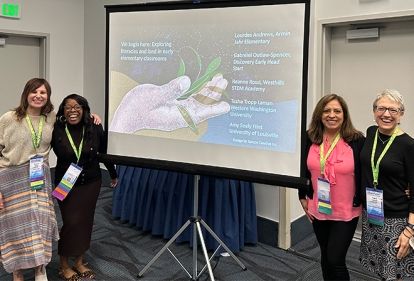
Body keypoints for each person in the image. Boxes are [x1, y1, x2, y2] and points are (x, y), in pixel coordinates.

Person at [51, 94, 118, 281]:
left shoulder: (95, 126)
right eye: (68, 107)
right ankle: (63, 265)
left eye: (77, 106)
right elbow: (39, 151)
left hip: (91, 181)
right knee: (71, 222)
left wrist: (112, 173)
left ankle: (79, 262)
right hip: (65, 182)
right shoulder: (56, 128)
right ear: (63, 110)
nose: (73, 110)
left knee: (86, 222)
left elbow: (104, 152)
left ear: (84, 109)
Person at [299, 94, 365, 280]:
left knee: (336, 259)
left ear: (344, 115)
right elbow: (302, 171)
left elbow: (375, 165)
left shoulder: (357, 140)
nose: (332, 115)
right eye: (326, 110)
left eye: (337, 110)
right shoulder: (310, 138)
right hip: (318, 206)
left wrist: (405, 184)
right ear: (319, 114)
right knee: (326, 256)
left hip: (346, 210)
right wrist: (302, 195)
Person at [0, 78, 59, 281]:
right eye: (34, 92)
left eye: (43, 93)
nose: (38, 96)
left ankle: (39, 267)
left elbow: (75, 115)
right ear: (26, 94)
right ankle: (17, 270)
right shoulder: (9, 118)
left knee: (40, 222)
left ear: (48, 97)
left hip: (38, 177)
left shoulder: (50, 118)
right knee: (15, 226)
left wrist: (92, 115)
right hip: (11, 178)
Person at [359, 89, 414, 280]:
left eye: (393, 110)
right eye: (381, 108)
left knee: (394, 271)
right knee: (379, 267)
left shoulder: (408, 145)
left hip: (396, 220)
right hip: (372, 213)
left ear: (401, 114)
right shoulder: (371, 132)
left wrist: (409, 231)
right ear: (374, 111)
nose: (386, 114)